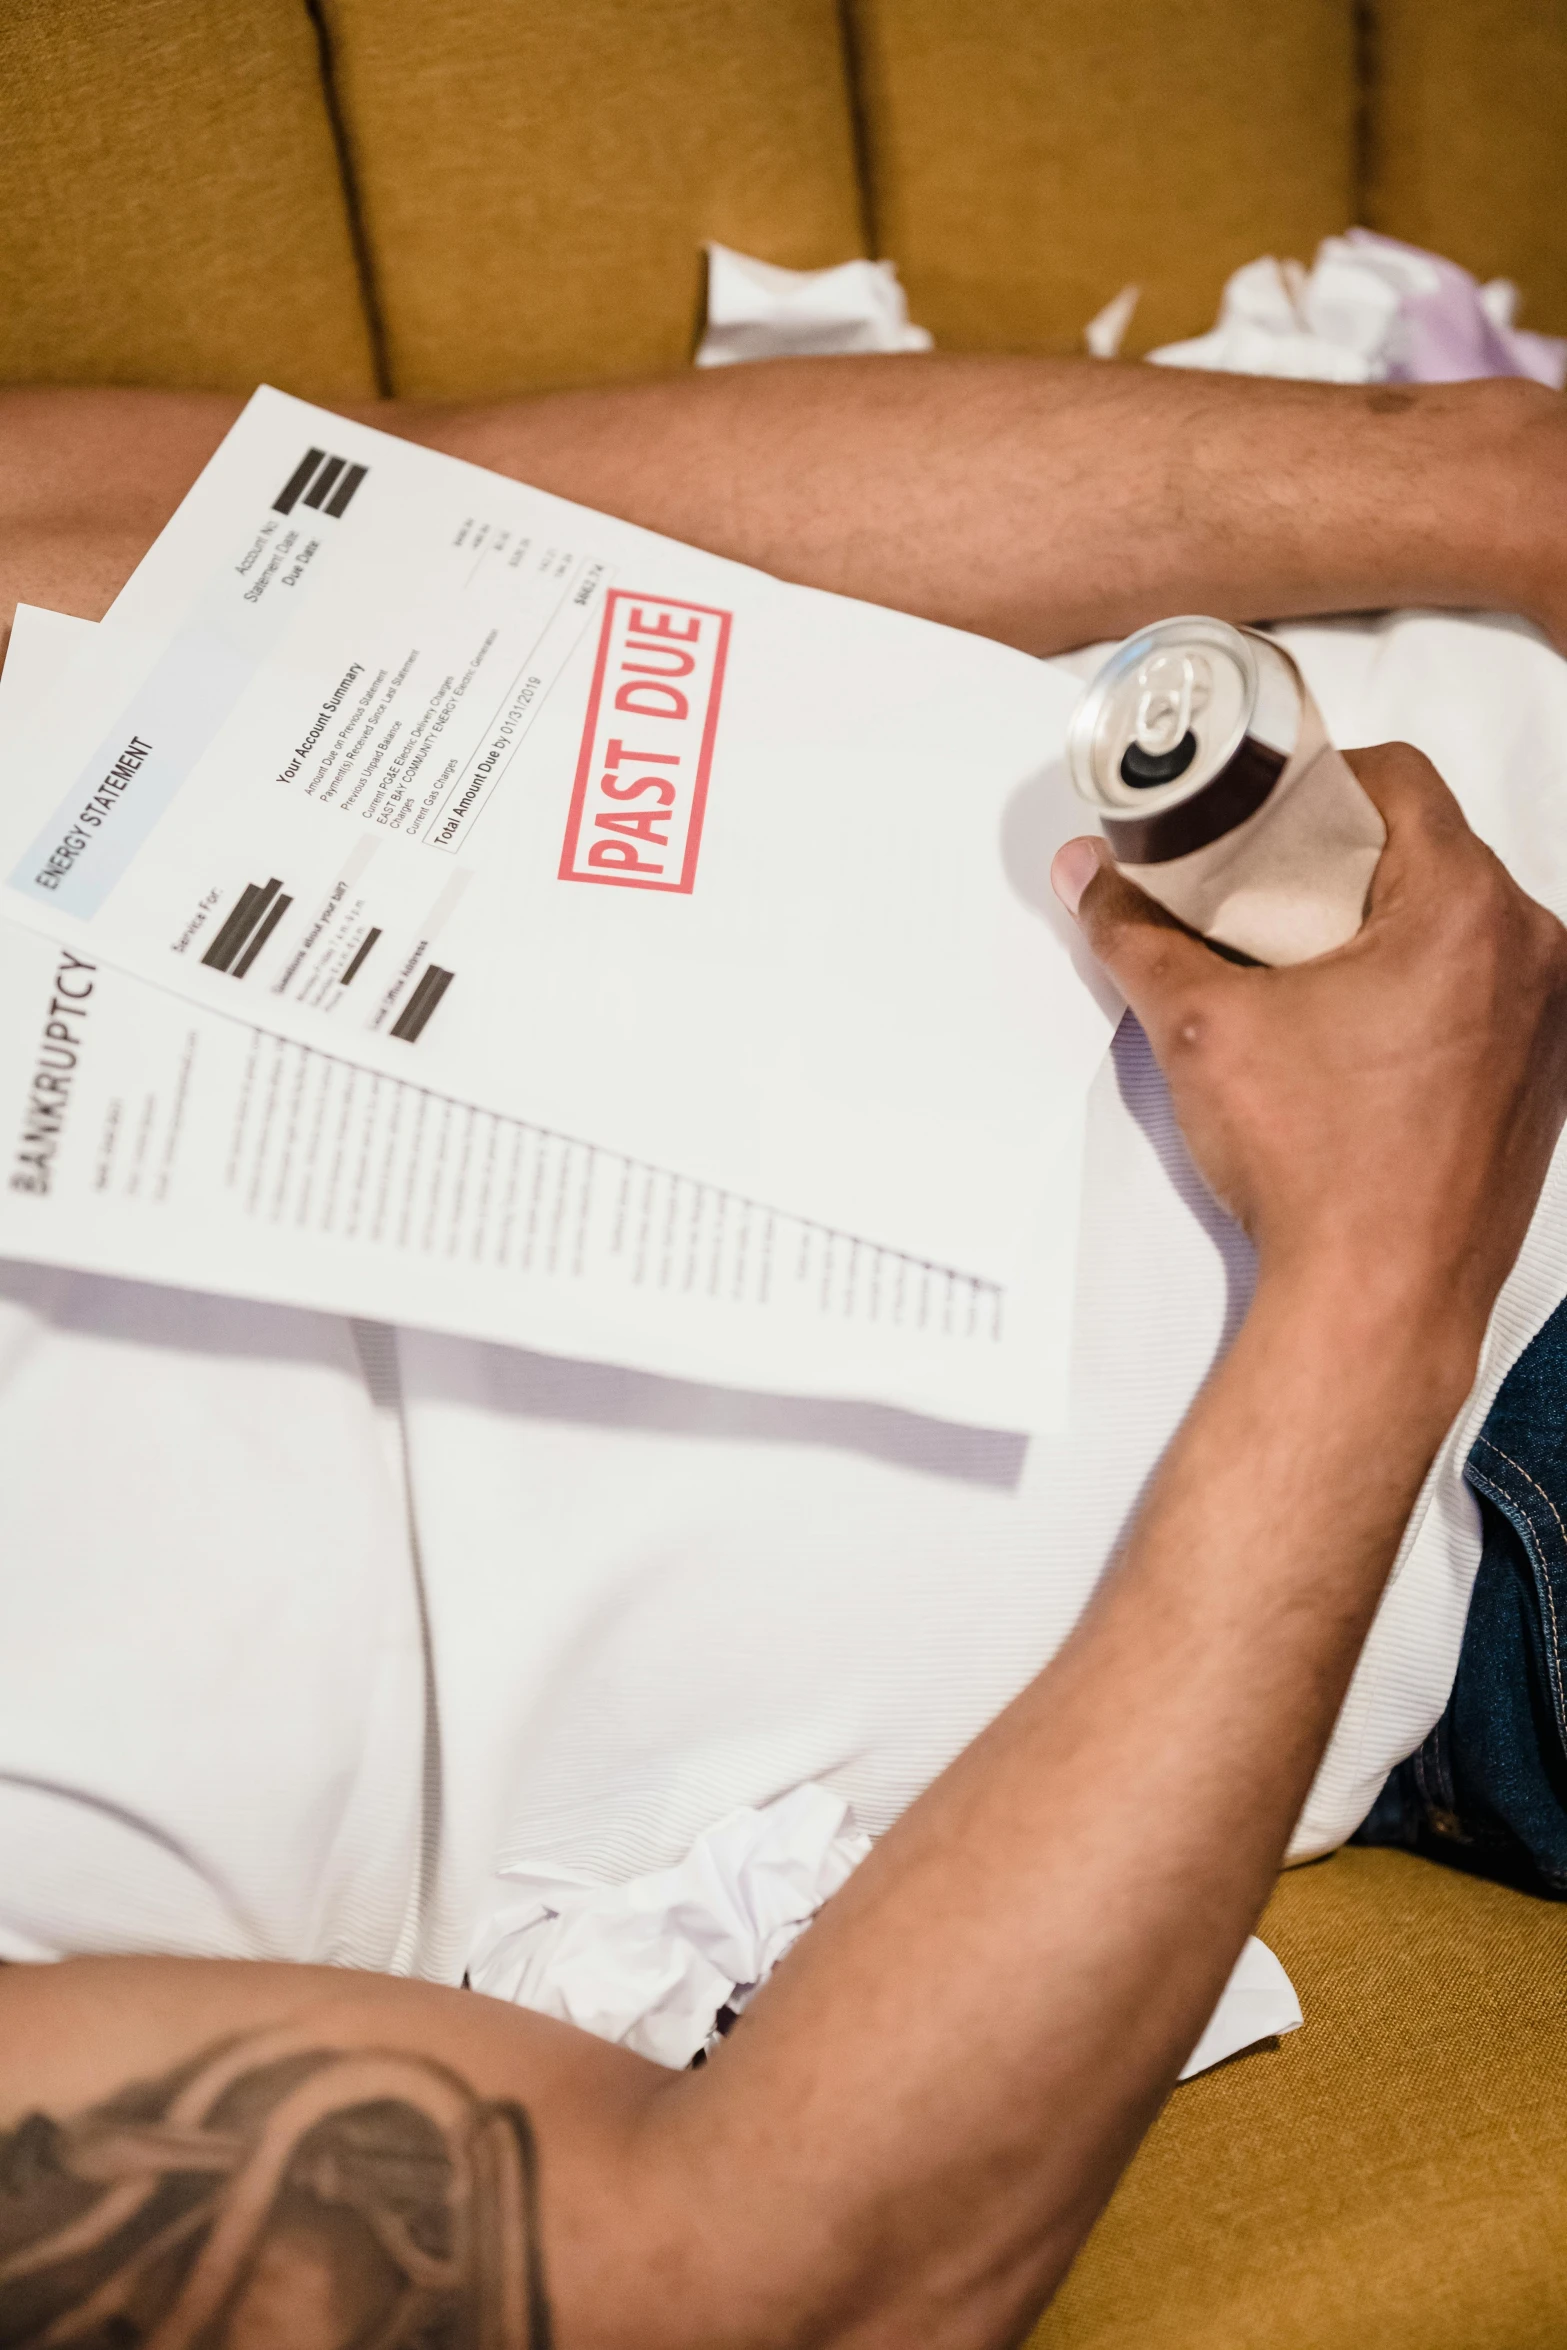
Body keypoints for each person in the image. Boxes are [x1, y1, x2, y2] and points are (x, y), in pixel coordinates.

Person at [0, 357, 1565, 2348]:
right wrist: (1389, 1262)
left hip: (1475, 728)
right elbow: (761, 2267)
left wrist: (1504, 475)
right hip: (1491, 1440)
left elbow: (438, 519)